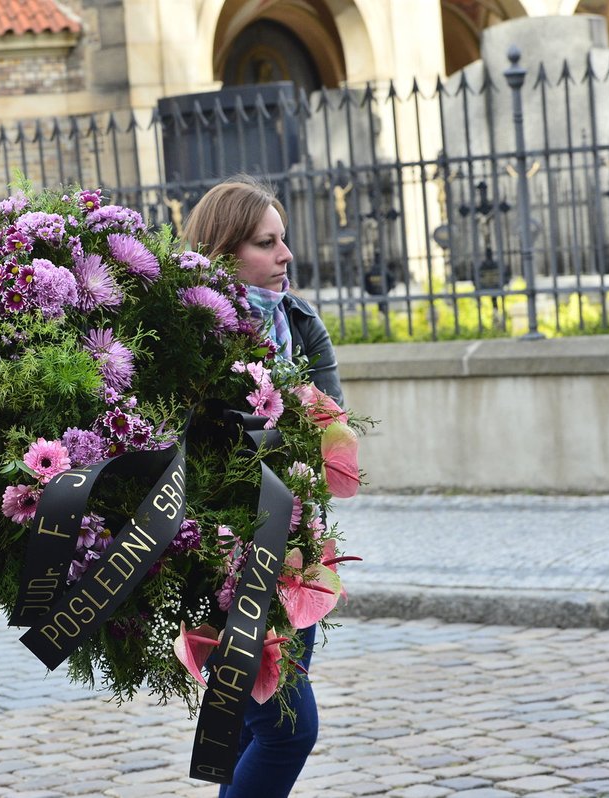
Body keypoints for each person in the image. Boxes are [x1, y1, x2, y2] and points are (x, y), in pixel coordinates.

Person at [184, 176, 343, 798]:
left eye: (283, 240)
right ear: (224, 255)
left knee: (255, 728)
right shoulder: (187, 337)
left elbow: (333, 441)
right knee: (286, 728)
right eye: (266, 243)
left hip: (296, 542)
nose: (286, 255)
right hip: (219, 551)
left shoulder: (300, 322)